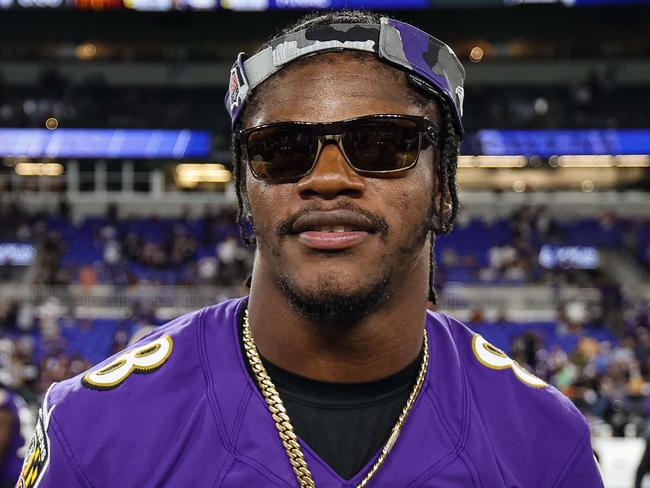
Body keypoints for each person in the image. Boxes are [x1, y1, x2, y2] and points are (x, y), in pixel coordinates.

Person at [18, 11, 604, 487]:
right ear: (245, 195)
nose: (327, 178)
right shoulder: (98, 429)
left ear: (444, 187)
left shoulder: (543, 444)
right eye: (282, 148)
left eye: (380, 144)